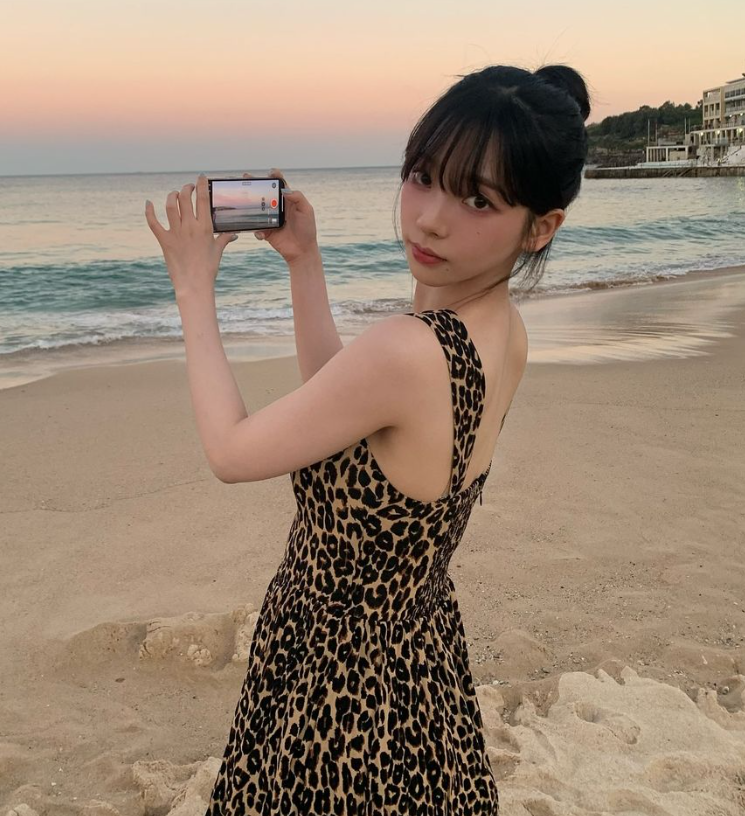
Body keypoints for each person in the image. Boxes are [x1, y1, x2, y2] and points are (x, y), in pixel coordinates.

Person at [146, 61, 591, 815]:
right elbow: (344, 413)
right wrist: (304, 260)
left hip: (335, 680)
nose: (430, 218)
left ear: (540, 226)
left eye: (477, 199)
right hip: (415, 662)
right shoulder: (498, 333)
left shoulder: (408, 351)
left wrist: (192, 287)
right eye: (422, 176)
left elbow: (230, 451)